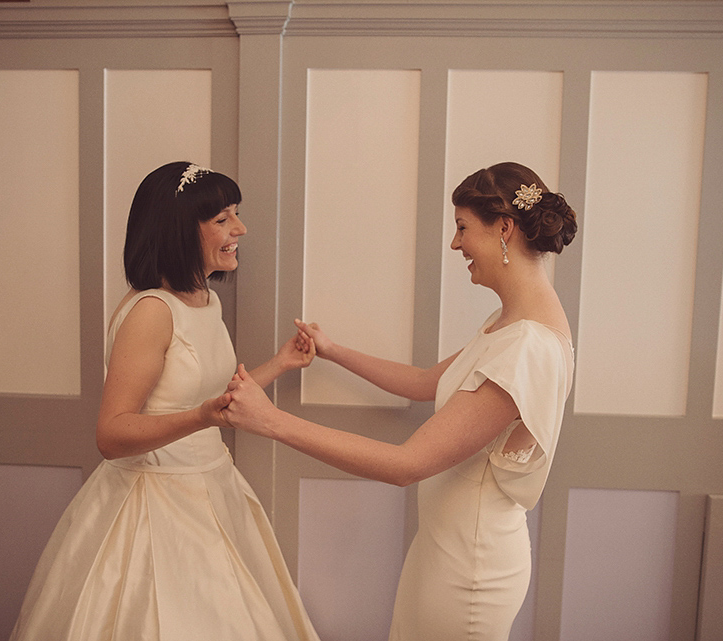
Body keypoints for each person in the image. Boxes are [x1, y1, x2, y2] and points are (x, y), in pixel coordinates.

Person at [222, 162, 577, 641]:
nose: (455, 245)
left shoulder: (526, 345)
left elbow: (405, 465)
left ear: (505, 228)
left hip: (470, 572)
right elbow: (428, 381)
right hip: (442, 552)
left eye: (462, 228)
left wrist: (270, 421)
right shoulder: (512, 323)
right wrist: (333, 350)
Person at [10, 162, 320, 641]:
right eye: (223, 219)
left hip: (214, 488)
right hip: (156, 503)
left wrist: (278, 364)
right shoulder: (151, 312)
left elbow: (213, 400)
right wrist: (200, 417)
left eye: (235, 214)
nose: (240, 229)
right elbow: (112, 435)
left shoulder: (204, 299)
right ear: (180, 230)